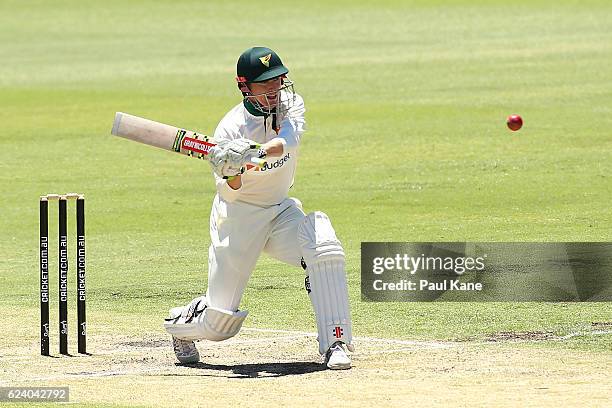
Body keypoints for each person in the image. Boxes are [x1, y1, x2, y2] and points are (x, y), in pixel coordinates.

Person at [163, 46, 353, 370]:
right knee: (220, 325)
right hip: (238, 219)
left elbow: (288, 141)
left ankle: (335, 343)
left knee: (323, 243)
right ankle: (182, 324)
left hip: (279, 210)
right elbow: (232, 193)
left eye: (278, 81)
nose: (275, 90)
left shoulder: (291, 104)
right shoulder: (229, 130)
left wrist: (255, 153)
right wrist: (233, 170)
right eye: (265, 85)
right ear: (244, 87)